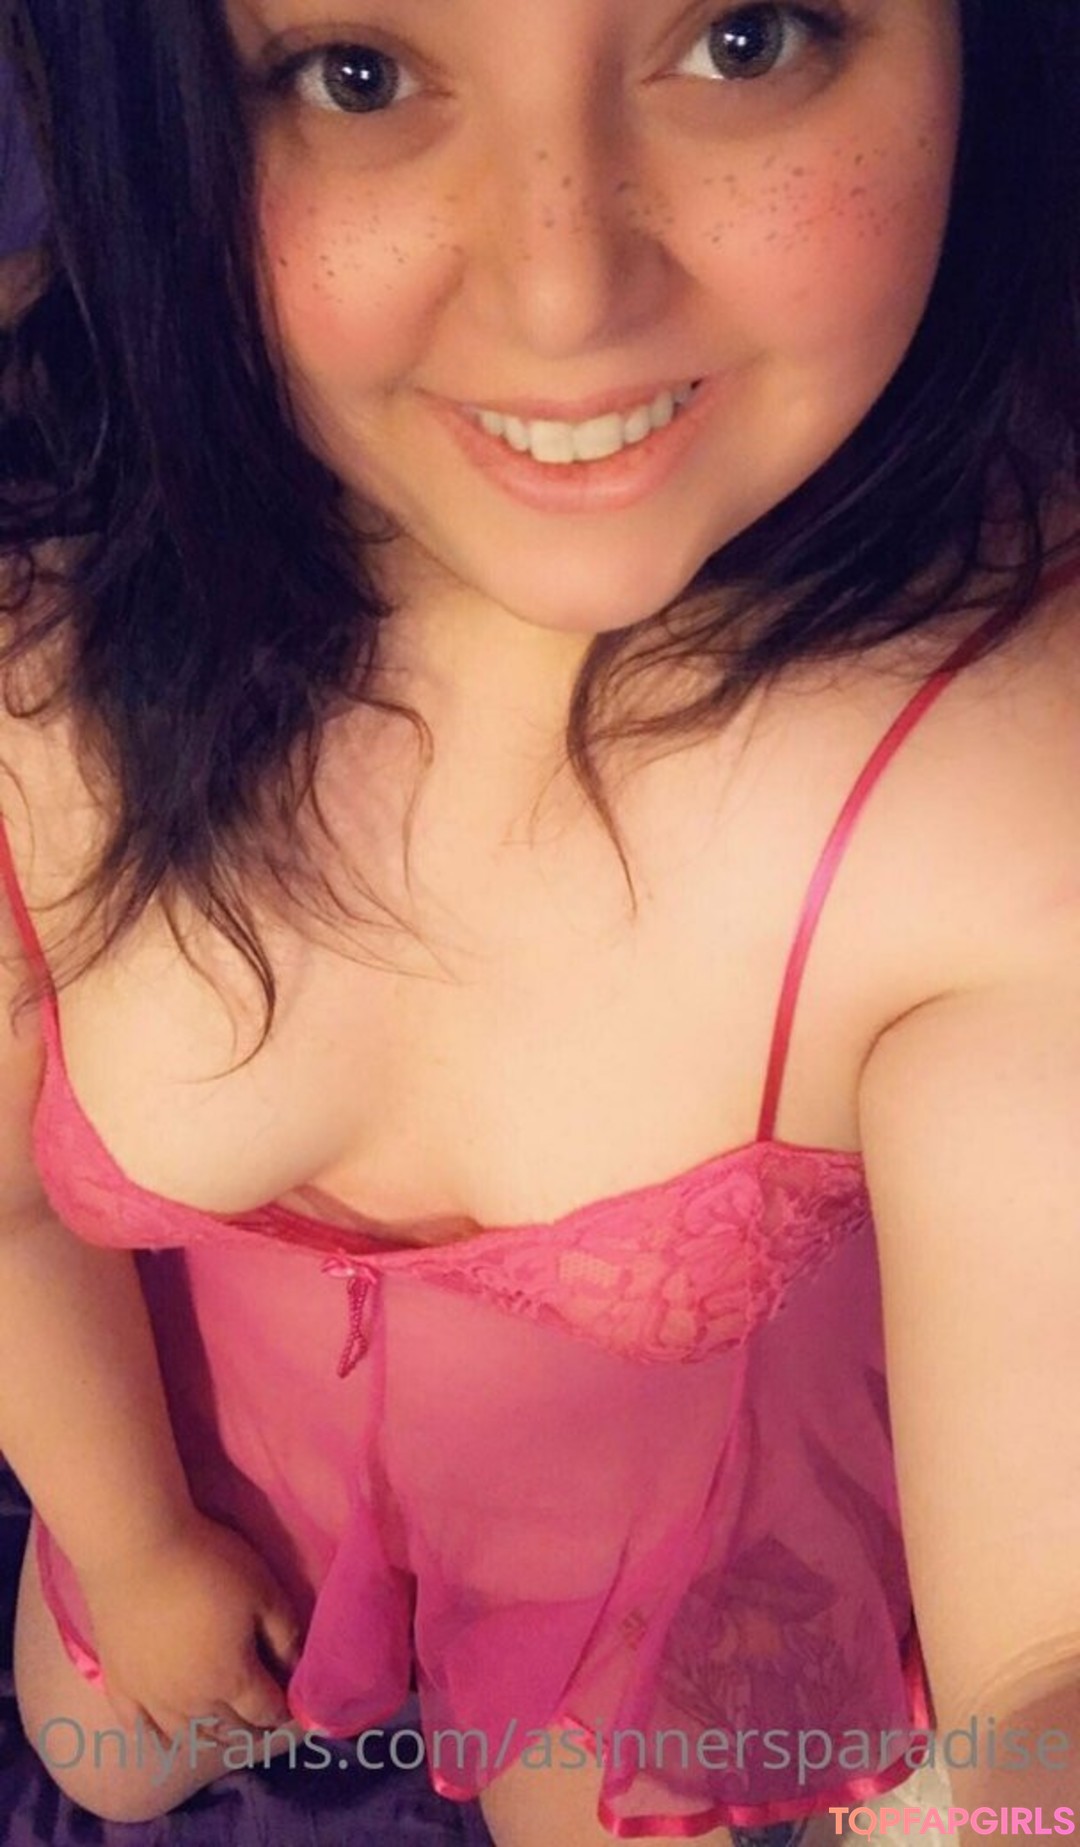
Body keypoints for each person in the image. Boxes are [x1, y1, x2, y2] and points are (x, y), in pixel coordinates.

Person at [0, 3, 1078, 1844]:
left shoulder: (1005, 784)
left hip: (656, 1617)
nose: (566, 293)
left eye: (744, 37)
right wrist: (133, 1539)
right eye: (357, 76)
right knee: (106, 1743)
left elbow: (1042, 1658)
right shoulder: (41, 605)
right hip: (205, 1484)